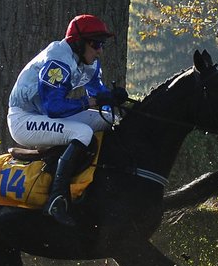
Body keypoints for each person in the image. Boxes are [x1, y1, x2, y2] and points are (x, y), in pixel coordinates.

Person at [7, 14, 128, 227]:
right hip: (24, 120)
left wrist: (112, 99)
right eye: (96, 43)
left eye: (102, 44)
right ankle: (57, 198)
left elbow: (99, 96)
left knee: (111, 120)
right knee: (82, 133)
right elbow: (54, 108)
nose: (100, 50)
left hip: (44, 116)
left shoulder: (88, 62)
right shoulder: (57, 61)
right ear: (79, 42)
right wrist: (92, 101)